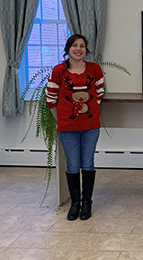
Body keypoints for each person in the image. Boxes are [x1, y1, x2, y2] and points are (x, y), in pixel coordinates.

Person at [46, 34, 104, 221]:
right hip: (67, 127)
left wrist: (90, 110)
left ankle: (87, 203)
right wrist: (61, 120)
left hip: (90, 126)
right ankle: (75, 203)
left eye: (82, 46)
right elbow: (51, 98)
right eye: (75, 45)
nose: (79, 49)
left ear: (86, 50)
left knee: (87, 163)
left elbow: (99, 93)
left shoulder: (94, 69)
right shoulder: (58, 71)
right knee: (72, 165)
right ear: (68, 48)